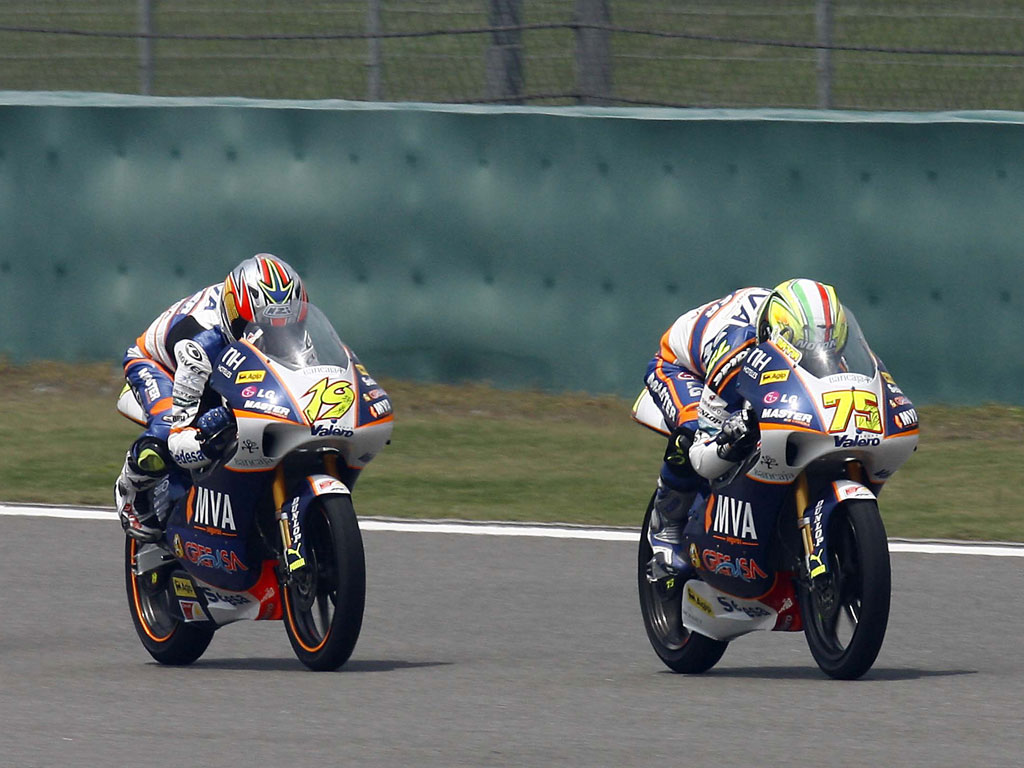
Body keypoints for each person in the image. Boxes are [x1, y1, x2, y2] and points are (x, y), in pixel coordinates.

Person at [642, 278, 849, 579]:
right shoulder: (735, 353)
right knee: (693, 429)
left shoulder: (825, 345)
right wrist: (730, 442)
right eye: (799, 349)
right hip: (680, 367)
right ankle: (666, 521)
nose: (815, 354)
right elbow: (703, 456)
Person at [115, 253, 309, 541]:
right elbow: (180, 439)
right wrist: (207, 440)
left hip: (217, 360)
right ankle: (130, 487)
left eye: (285, 326)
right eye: (259, 328)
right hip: (159, 365)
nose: (272, 337)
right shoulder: (199, 345)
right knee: (164, 435)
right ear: (235, 317)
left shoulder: (292, 332)